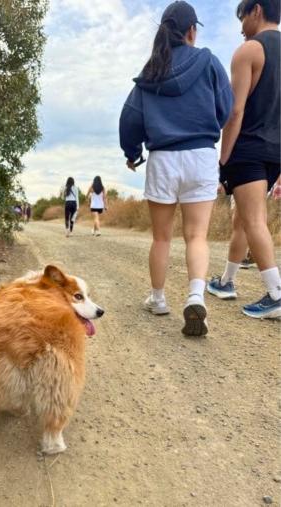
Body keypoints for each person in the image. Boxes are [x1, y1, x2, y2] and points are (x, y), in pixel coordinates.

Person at [119, 1, 233, 336]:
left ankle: (158, 299)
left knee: (162, 237)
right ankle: (195, 296)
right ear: (191, 31)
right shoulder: (209, 61)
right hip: (200, 155)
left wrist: (132, 152)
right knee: (196, 235)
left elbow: (129, 118)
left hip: (163, 159)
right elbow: (225, 107)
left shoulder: (150, 72)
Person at [207, 0, 281, 319]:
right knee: (243, 218)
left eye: (242, 17)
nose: (240, 27)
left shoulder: (249, 50)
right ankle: (226, 281)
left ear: (256, 10)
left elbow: (234, 111)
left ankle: (276, 293)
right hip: (276, 151)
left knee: (252, 220)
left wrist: (223, 159)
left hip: (249, 148)